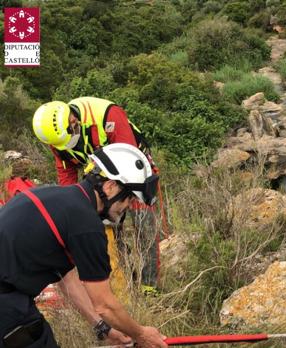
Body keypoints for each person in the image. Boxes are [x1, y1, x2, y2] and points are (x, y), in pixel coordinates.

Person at [0, 143, 167, 348]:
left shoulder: (58, 198)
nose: (128, 207)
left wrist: (102, 328)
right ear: (110, 186)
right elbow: (105, 305)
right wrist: (141, 334)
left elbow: (67, 279)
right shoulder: (86, 224)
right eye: (130, 197)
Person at [32, 97, 161, 290]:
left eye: (72, 126)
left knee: (144, 223)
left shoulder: (107, 115)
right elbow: (66, 174)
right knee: (107, 230)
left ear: (73, 118)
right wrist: (75, 207)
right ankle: (125, 283)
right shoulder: (57, 140)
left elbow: (128, 153)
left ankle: (150, 286)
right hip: (103, 180)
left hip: (136, 169)